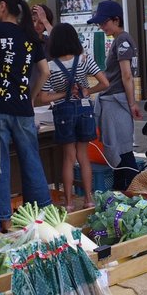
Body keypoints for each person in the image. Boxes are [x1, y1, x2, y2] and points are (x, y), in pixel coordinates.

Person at [0, 0, 52, 232]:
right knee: (32, 160)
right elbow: (44, 72)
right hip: (24, 109)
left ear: (2, 7)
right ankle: (41, 214)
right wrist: (31, 97)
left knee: (0, 165)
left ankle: (4, 219)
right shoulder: (30, 36)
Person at [40, 23, 108, 210]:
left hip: (63, 111)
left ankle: (69, 203)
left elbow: (44, 97)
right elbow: (104, 83)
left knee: (69, 158)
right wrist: (87, 91)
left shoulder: (50, 66)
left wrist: (63, 94)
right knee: (83, 157)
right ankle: (89, 199)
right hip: (84, 109)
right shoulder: (85, 59)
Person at [87, 0, 142, 190]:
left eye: (104, 22)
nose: (102, 27)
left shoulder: (122, 40)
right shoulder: (121, 40)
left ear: (116, 19)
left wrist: (132, 103)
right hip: (115, 100)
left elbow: (127, 75)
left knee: (122, 151)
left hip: (116, 101)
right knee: (120, 149)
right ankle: (120, 190)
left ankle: (138, 191)